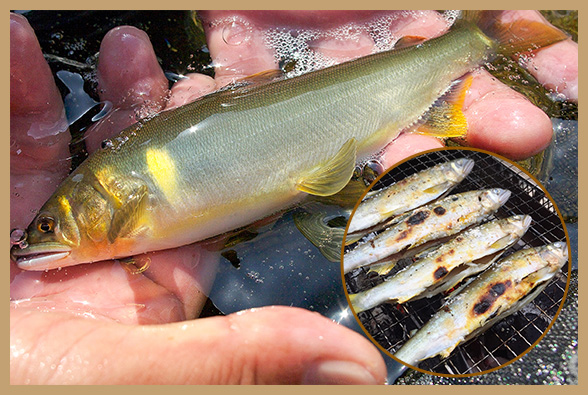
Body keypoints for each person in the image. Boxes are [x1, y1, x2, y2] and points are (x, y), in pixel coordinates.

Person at [10, 11, 577, 384]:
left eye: (51, 229)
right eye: (48, 229)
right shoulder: (116, 199)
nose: (42, 242)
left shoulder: (123, 204)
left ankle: (475, 39)